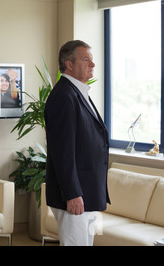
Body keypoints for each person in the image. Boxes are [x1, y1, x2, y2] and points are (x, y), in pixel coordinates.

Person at [44, 40, 110, 246]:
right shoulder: (63, 96)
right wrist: (72, 193)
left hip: (88, 192)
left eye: (92, 60)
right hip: (74, 196)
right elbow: (62, 151)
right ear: (69, 64)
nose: (93, 65)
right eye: (85, 59)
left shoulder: (78, 92)